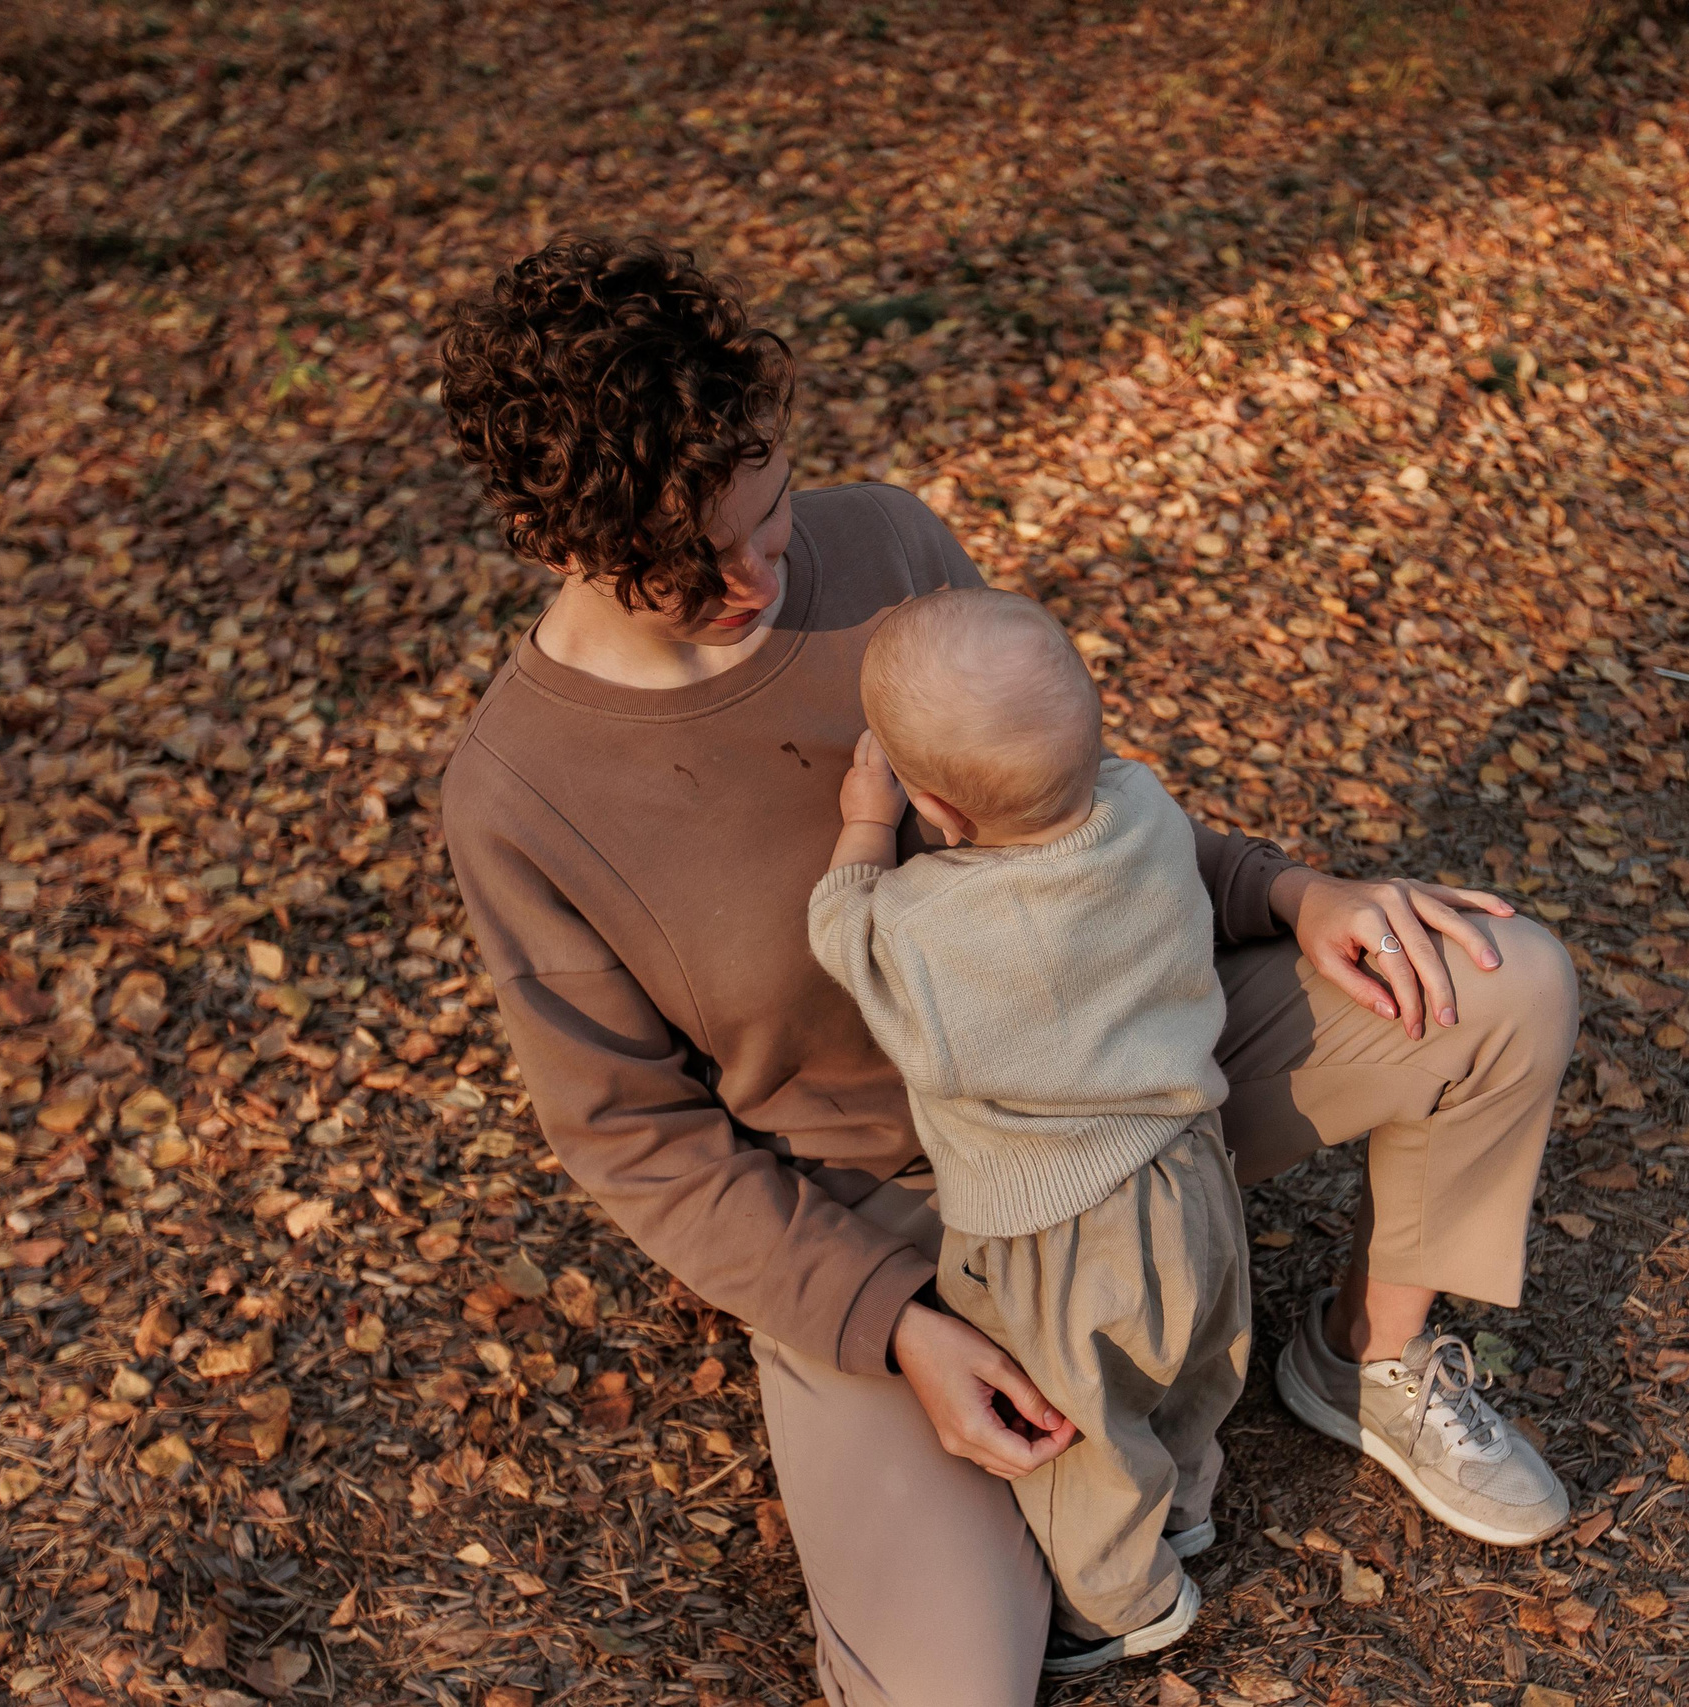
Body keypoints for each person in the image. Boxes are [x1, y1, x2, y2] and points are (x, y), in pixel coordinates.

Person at [436, 234, 1582, 1707]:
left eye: (770, 517)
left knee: (1495, 980)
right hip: (886, 1218)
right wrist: (891, 1325)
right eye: (690, 570)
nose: (758, 578)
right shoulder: (521, 795)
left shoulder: (885, 546)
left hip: (1124, 1089)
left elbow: (1072, 819)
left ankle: (1364, 1356)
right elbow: (634, 1138)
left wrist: (1293, 895)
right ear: (561, 543)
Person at [807, 589, 1252, 1674]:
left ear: (937, 811)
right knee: (1191, 1361)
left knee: (1081, 1428)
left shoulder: (933, 932)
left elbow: (844, 934)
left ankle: (1122, 1603)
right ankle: (1188, 1505)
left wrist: (863, 825)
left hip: (1060, 1233)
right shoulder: (1144, 808)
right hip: (1191, 1173)